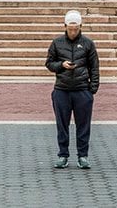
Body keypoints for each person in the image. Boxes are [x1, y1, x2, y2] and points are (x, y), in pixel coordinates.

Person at [46, 10, 99, 169]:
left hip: (82, 90)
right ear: (65, 26)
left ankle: (83, 156)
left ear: (81, 26)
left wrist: (92, 89)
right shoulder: (57, 43)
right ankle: (63, 155)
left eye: (76, 29)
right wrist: (61, 66)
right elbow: (49, 63)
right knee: (62, 124)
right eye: (70, 29)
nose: (73, 32)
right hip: (62, 89)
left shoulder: (88, 43)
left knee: (83, 125)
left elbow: (94, 67)